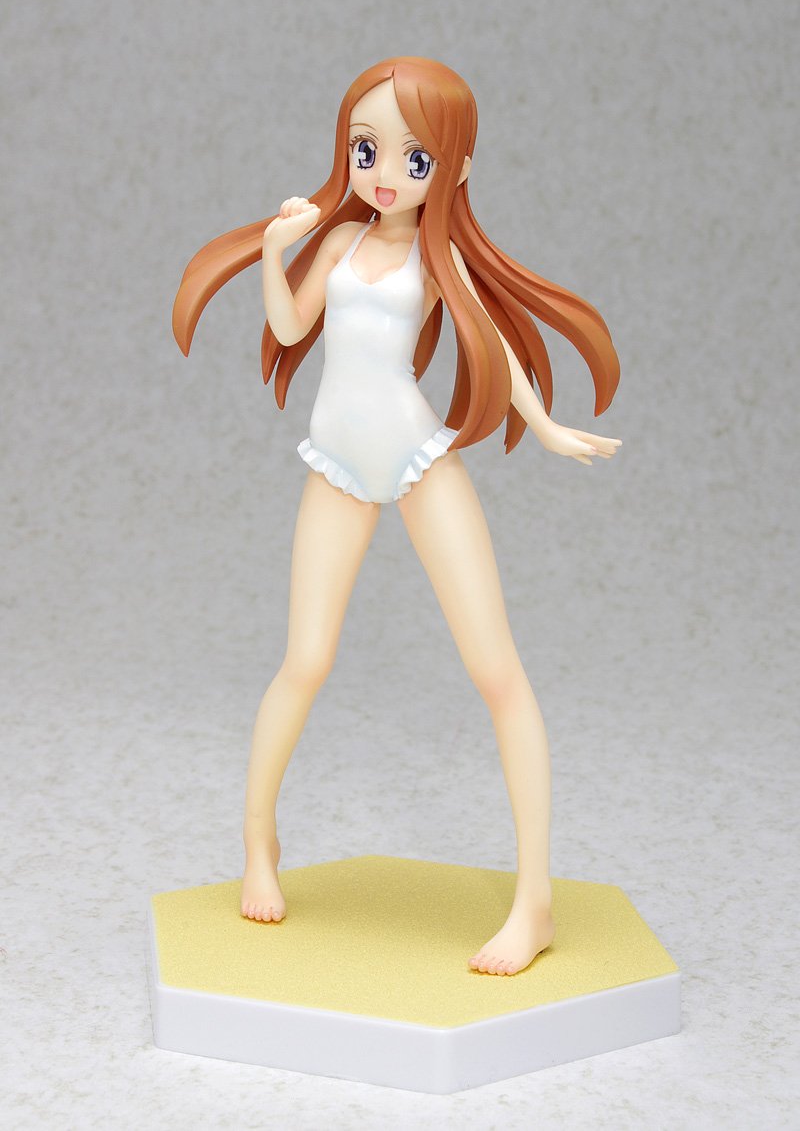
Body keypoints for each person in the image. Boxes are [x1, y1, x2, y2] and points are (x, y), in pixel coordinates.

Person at [172, 56, 621, 976]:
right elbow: (290, 328)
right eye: (367, 148)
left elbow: (491, 340)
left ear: (455, 168)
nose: (384, 173)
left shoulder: (438, 259)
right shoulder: (340, 243)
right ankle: (259, 841)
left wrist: (544, 426)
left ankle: (534, 898)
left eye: (415, 159)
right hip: (337, 464)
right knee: (305, 660)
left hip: (416, 459)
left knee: (498, 671)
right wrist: (274, 252)